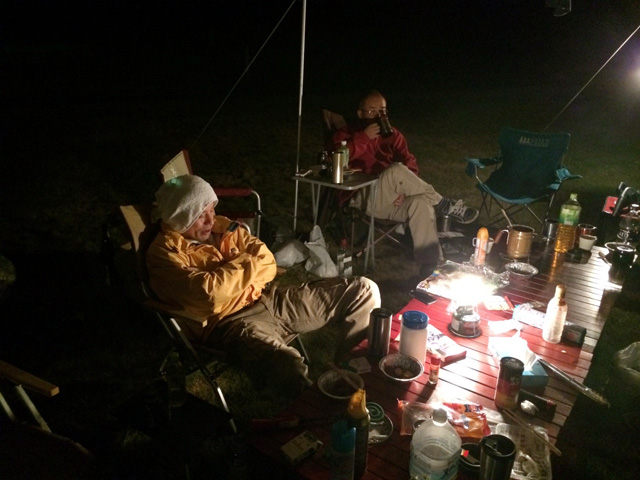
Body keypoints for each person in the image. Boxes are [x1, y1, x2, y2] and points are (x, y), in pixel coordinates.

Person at [146, 174, 381, 395]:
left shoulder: (223, 227)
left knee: (364, 290)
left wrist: (228, 274)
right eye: (200, 215)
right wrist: (249, 262)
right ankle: (320, 408)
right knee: (288, 367)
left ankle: (349, 375)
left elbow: (268, 262)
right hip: (233, 325)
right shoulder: (164, 255)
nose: (211, 220)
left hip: (270, 299)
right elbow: (209, 294)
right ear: (181, 218)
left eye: (212, 208)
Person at [329, 90, 479, 275]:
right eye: (372, 111)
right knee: (396, 170)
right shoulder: (346, 134)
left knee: (421, 202)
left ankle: (430, 265)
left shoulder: (393, 135)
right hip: (364, 196)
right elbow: (335, 157)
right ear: (360, 113)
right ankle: (443, 204)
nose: (378, 116)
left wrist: (404, 190)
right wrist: (363, 138)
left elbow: (410, 164)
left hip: (393, 201)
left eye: (382, 111)